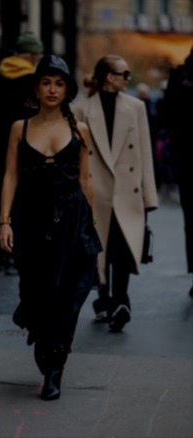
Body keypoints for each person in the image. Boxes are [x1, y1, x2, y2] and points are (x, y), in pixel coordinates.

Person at [0, 55, 101, 401]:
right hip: (31, 220)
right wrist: (5, 222)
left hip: (72, 220)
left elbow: (85, 180)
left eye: (59, 83)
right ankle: (43, 343)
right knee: (38, 294)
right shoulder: (20, 128)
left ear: (68, 89)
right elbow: (10, 176)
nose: (53, 89)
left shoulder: (79, 130)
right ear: (36, 88)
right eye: (46, 83)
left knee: (69, 298)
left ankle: (55, 369)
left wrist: (92, 227)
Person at [73, 55, 158, 330]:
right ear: (109, 77)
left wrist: (149, 198)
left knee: (122, 249)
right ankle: (104, 300)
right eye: (125, 73)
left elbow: (144, 153)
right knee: (99, 252)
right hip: (94, 193)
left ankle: (121, 301)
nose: (128, 79)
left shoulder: (136, 108)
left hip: (127, 191)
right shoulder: (81, 109)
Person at [0, 32, 44, 275]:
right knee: (21, 203)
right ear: (33, 56)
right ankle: (14, 255)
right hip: (24, 150)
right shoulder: (32, 80)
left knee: (0, 201)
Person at [160, 48, 193, 297]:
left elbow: (166, 114)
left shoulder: (179, 76)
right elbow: (167, 115)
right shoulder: (180, 76)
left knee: (190, 219)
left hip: (184, 156)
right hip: (185, 155)